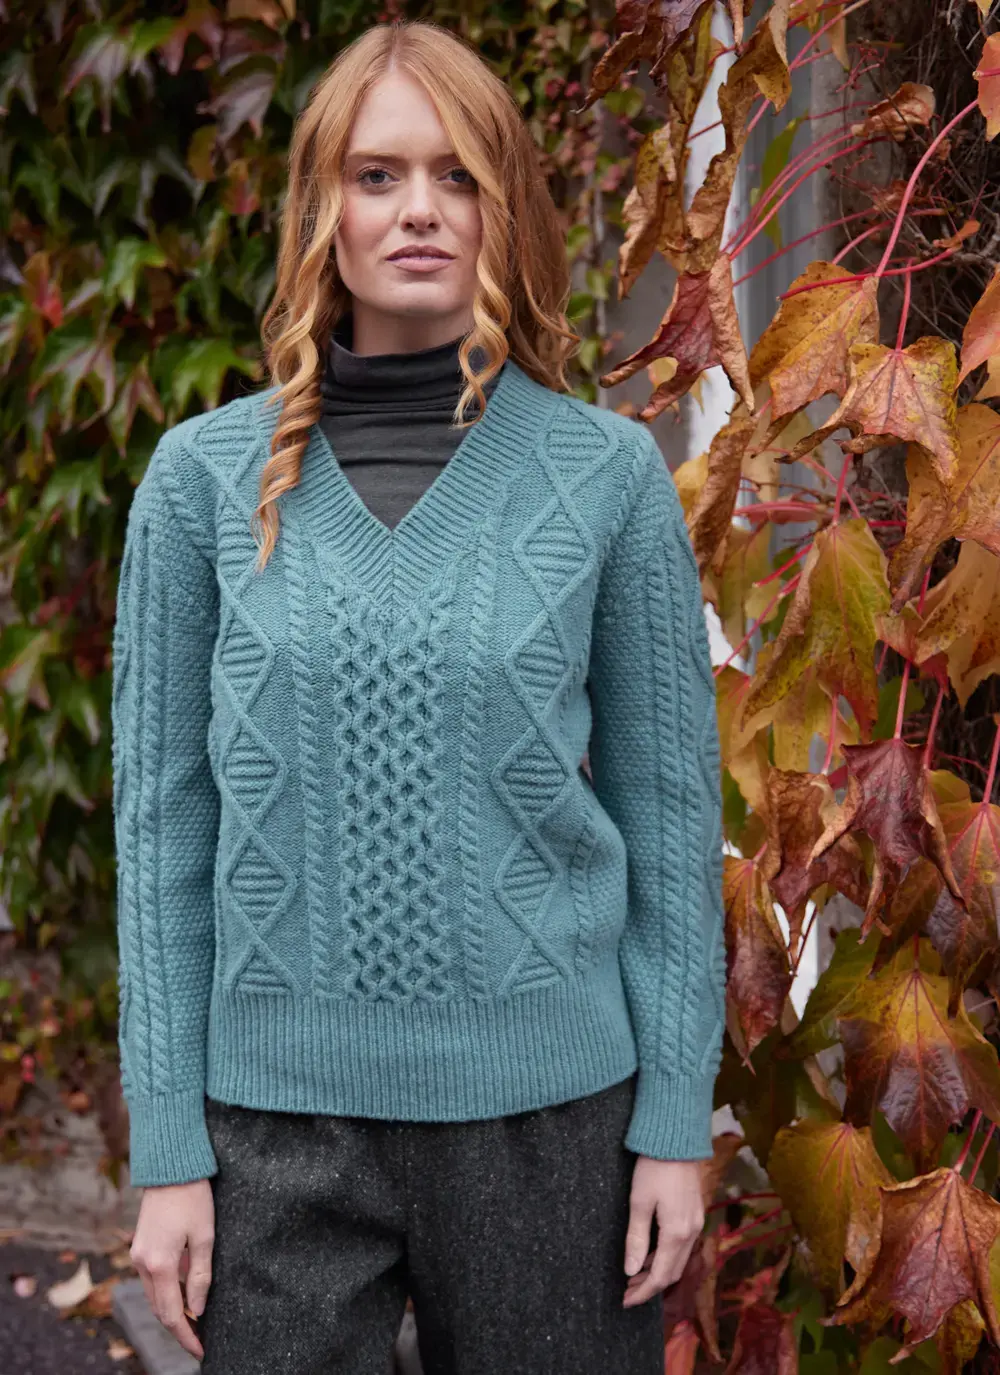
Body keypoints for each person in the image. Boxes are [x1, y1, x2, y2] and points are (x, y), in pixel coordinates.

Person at [111, 17, 727, 1375]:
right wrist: (167, 1147)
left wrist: (675, 1121)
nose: (420, 210)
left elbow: (673, 820)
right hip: (272, 1136)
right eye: (378, 174)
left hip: (550, 1128)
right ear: (320, 208)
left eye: (459, 176)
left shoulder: (607, 480)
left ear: (505, 208)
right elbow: (162, 836)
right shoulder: (200, 485)